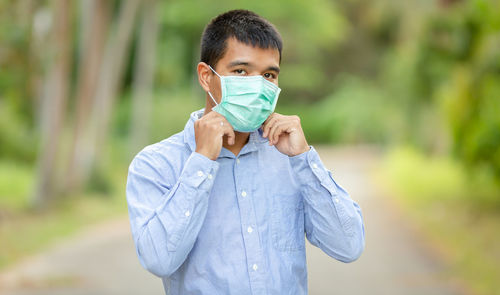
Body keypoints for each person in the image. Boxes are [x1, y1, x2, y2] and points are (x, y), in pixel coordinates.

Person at [126, 9, 365, 295]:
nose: (257, 85)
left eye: (268, 75)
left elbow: (348, 245)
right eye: (240, 71)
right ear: (206, 76)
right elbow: (158, 259)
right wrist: (201, 161)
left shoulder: (290, 159)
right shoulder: (156, 164)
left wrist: (304, 159)